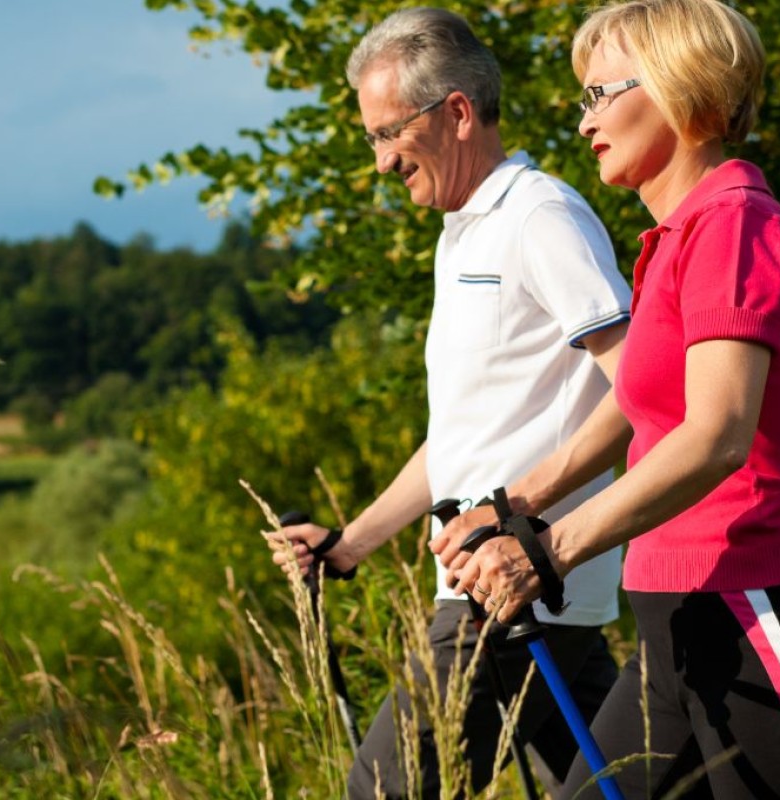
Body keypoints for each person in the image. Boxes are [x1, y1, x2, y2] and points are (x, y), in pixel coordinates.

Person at [450, 1, 780, 797]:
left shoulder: (736, 226)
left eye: (601, 94)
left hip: (753, 614)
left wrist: (549, 550)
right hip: (673, 623)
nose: (585, 124)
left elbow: (715, 434)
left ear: (681, 89)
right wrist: (511, 506)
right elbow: (638, 409)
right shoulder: (676, 241)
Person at [271, 7, 635, 798]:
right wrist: (351, 544)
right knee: (627, 788)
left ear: (458, 113)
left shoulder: (540, 217)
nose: (379, 162)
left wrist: (518, 513)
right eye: (371, 138)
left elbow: (642, 390)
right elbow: (463, 437)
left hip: (513, 594)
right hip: (521, 592)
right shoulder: (462, 233)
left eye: (388, 133)